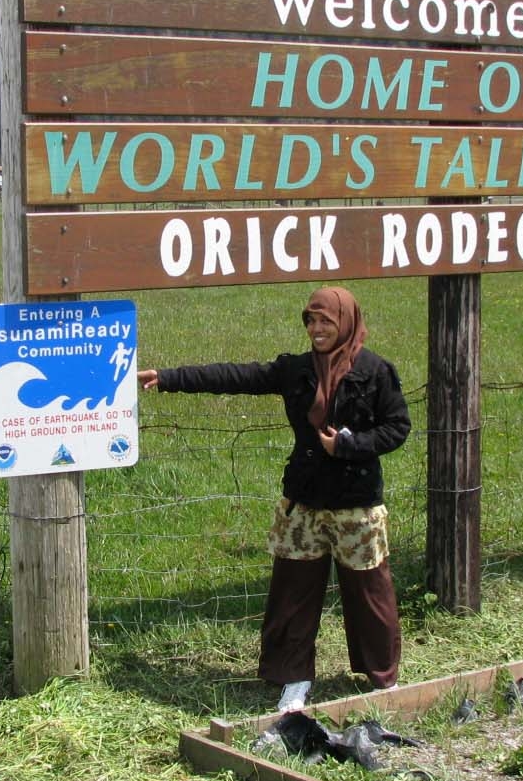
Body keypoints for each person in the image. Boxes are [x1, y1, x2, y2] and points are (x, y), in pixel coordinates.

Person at [137, 285, 411, 713]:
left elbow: (397, 427)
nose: (317, 329)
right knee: (293, 593)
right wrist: (169, 378)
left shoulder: (376, 372)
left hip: (356, 505)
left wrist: (349, 445)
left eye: (327, 321)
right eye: (310, 320)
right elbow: (235, 377)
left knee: (370, 592)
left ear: (347, 323)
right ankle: (294, 678)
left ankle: (381, 679)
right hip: (303, 502)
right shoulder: (295, 370)